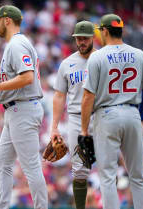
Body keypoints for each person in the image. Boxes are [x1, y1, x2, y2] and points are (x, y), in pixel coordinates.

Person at [0, 5, 48, 209]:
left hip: (24, 109)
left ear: (7, 20)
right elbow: (13, 81)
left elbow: (27, 78)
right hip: (15, 109)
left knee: (30, 167)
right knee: (2, 163)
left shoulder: (17, 44)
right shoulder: (14, 45)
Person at [80, 14, 143, 209]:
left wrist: (84, 129)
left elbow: (88, 96)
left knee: (107, 177)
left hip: (107, 115)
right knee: (138, 176)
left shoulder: (97, 56)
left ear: (104, 31)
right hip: (131, 112)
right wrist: (138, 117)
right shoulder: (139, 54)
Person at [50, 20, 96, 209]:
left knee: (109, 167)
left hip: (101, 115)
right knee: (79, 170)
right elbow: (60, 96)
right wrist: (54, 126)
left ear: (93, 37)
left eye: (85, 38)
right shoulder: (67, 64)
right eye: (78, 39)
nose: (81, 42)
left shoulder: (102, 58)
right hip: (76, 117)